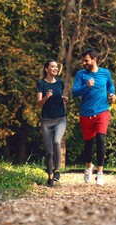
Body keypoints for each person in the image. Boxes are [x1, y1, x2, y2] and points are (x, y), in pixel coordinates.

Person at [72, 49, 116, 186]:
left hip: (102, 111)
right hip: (86, 113)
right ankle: (89, 166)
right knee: (88, 145)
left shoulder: (105, 73)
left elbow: (110, 84)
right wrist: (86, 86)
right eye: (83, 60)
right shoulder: (81, 75)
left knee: (101, 139)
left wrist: (112, 94)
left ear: (94, 60)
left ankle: (100, 173)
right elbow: (74, 93)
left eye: (86, 60)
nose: (84, 63)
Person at [36, 59, 68, 187]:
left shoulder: (60, 82)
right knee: (49, 151)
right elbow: (38, 103)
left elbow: (59, 96)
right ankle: (49, 177)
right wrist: (46, 97)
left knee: (56, 142)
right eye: (53, 67)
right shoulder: (41, 83)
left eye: (56, 67)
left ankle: (57, 171)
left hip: (60, 119)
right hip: (46, 121)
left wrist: (64, 98)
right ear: (46, 69)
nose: (55, 69)